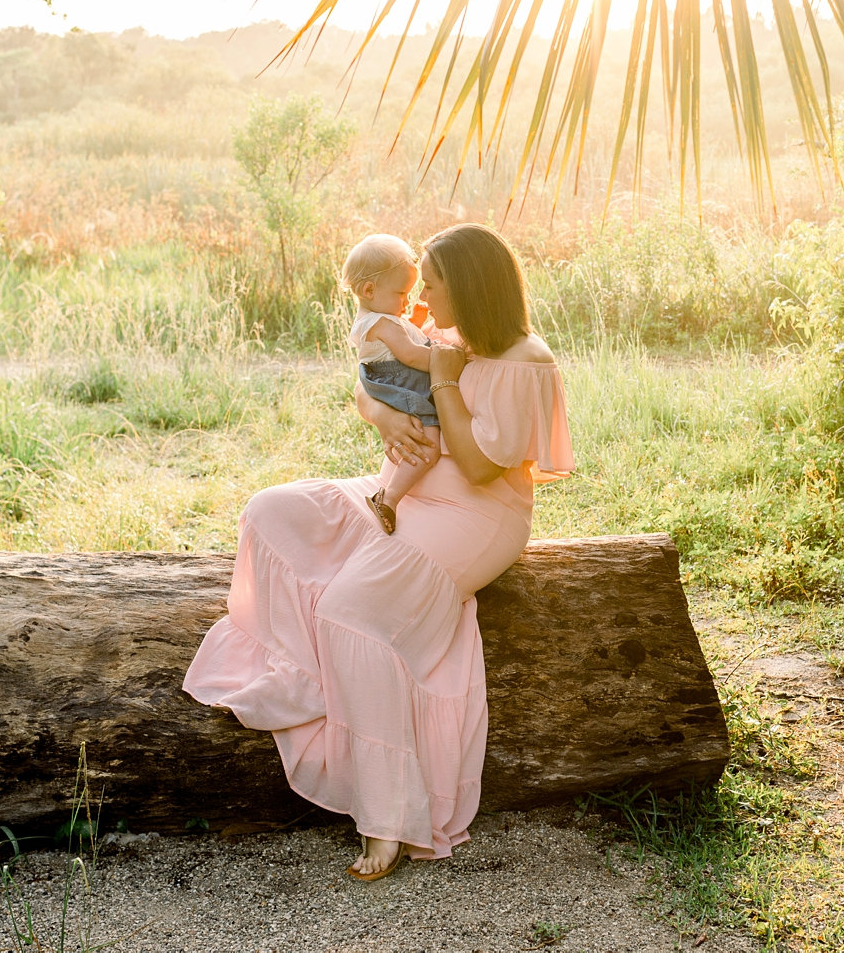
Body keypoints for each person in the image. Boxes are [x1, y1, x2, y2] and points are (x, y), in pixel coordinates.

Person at [183, 223, 573, 881]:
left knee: (348, 611)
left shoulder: (524, 360)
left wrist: (445, 384)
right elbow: (369, 380)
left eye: (431, 280)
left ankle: (386, 817)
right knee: (272, 511)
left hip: (475, 515)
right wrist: (385, 418)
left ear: (467, 286)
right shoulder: (452, 337)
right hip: (412, 492)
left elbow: (480, 469)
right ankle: (307, 683)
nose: (420, 292)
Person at [340, 233, 440, 534]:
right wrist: (449, 358)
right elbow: (409, 355)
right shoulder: (380, 322)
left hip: (396, 375)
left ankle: (392, 493)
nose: (408, 300)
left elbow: (404, 340)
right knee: (429, 444)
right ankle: (390, 497)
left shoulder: (380, 316)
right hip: (399, 378)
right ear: (369, 290)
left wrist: (415, 323)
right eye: (402, 293)